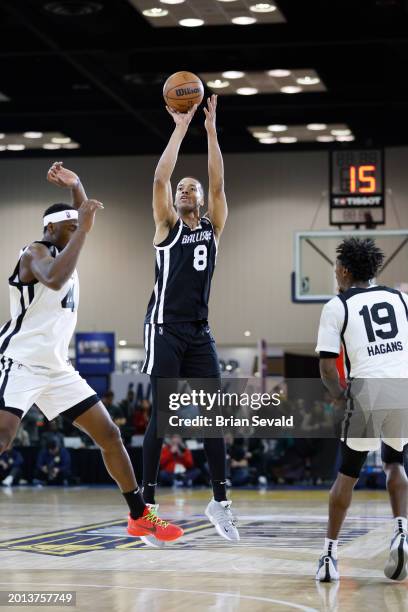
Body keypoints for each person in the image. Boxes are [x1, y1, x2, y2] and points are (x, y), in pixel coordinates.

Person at [0, 162, 182, 545]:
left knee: (110, 434)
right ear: (51, 229)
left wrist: (78, 185)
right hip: (18, 361)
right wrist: (80, 225)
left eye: (75, 228)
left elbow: (81, 225)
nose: (77, 233)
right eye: (68, 229)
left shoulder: (70, 244)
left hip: (57, 368)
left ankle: (139, 517)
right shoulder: (35, 252)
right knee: (3, 436)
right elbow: (55, 278)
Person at [140, 95, 239, 541]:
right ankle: (147, 507)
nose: (184, 189)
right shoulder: (165, 225)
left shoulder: (213, 227)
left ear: (200, 199)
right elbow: (161, 176)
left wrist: (212, 130)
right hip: (163, 329)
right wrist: (180, 129)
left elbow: (218, 184)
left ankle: (219, 502)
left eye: (190, 188)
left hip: (199, 332)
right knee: (162, 417)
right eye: (181, 188)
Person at [315, 237, 408, 582]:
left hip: (366, 390)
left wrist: (340, 396)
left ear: (342, 270)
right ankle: (401, 532)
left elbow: (327, 369)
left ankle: (329, 555)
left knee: (348, 474)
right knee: (395, 462)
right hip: (402, 388)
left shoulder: (337, 305)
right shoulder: (400, 298)